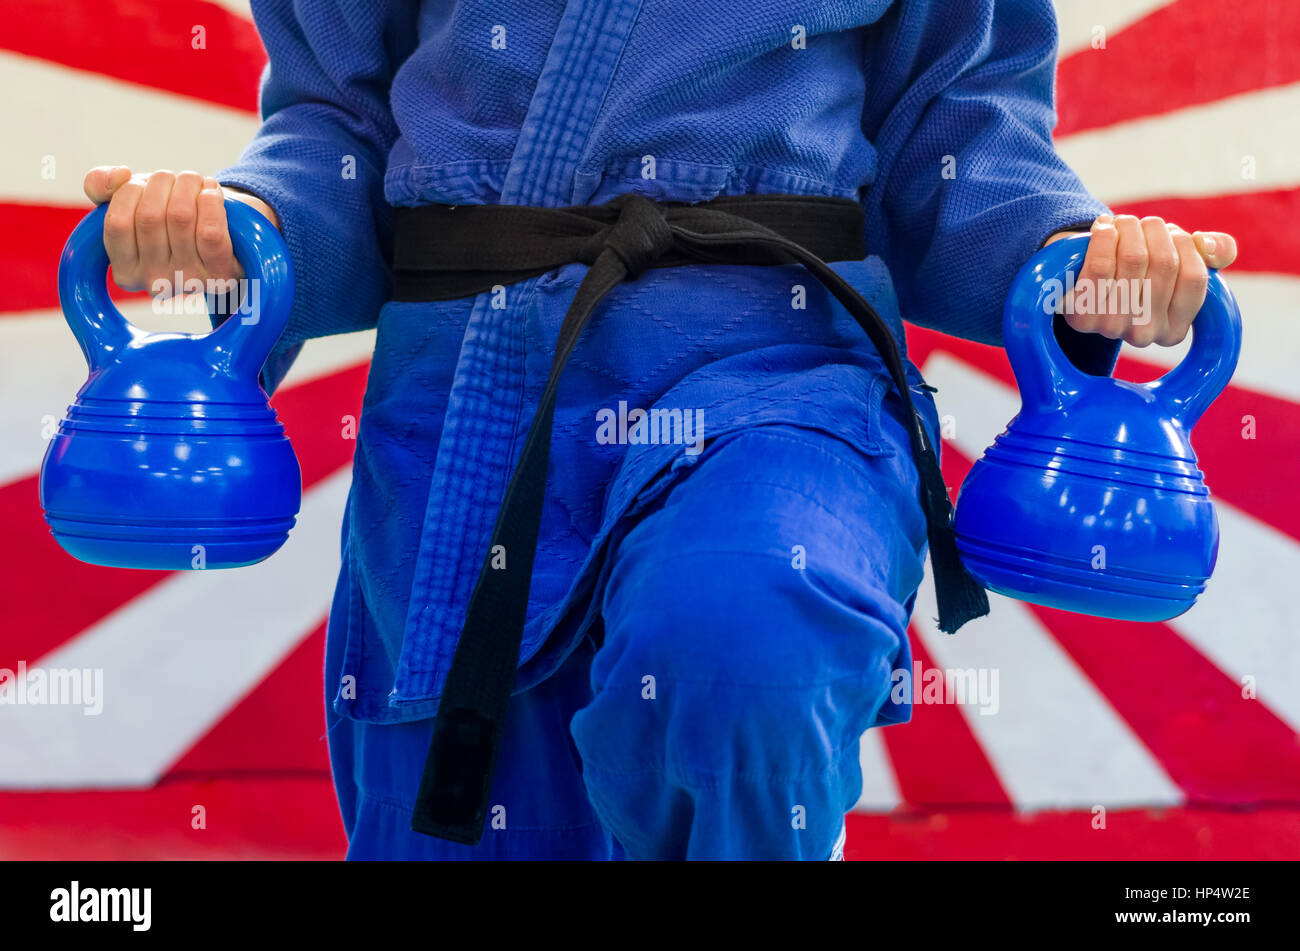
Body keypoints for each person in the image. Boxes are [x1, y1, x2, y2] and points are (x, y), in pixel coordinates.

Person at [81, 0, 1237, 860]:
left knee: (742, 641)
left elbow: (960, 138)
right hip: (474, 410)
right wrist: (247, 224)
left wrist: (1070, 259)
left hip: (777, 363)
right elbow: (338, 125)